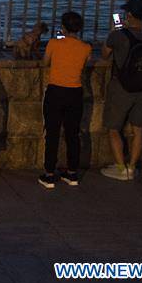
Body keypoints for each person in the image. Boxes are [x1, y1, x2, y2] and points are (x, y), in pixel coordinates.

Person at [100, 0, 142, 182]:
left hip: (121, 88)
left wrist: (115, 31)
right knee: (139, 129)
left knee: (113, 128)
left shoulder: (119, 35)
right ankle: (132, 167)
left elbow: (104, 54)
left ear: (130, 15)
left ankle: (120, 169)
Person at [39, 11, 92, 189]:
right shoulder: (86, 48)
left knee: (52, 133)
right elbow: (86, 64)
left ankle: (49, 174)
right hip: (75, 93)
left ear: (62, 27)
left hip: (56, 92)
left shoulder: (54, 43)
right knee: (72, 134)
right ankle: (72, 173)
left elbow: (45, 62)